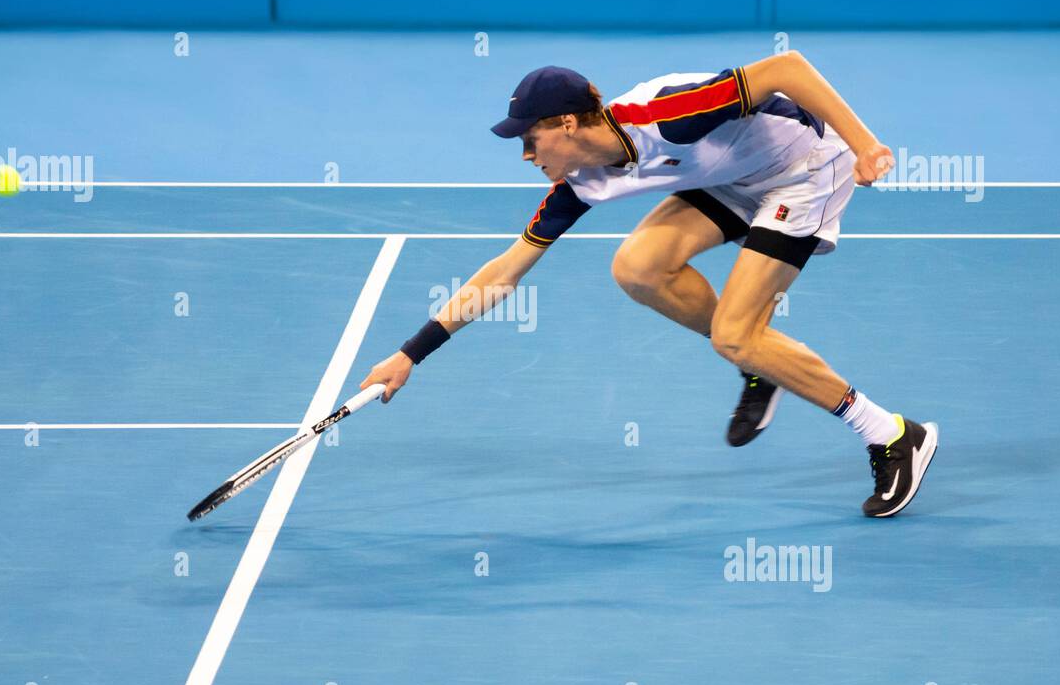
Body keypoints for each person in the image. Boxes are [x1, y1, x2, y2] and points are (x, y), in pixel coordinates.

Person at [360, 52, 938, 517]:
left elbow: (787, 68)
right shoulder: (583, 182)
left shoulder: (668, 116)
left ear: (566, 123)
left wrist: (865, 144)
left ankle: (891, 433)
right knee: (636, 268)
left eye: (529, 138)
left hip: (806, 170)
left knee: (736, 334)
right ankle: (763, 362)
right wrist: (412, 353)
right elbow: (506, 271)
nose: (525, 155)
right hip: (731, 176)